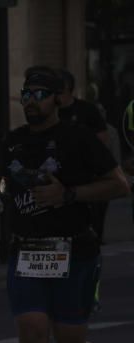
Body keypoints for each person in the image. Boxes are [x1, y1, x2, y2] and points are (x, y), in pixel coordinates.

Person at [0, 67, 128, 343]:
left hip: (73, 251)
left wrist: (70, 194)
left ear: (57, 99)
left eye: (40, 93)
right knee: (33, 333)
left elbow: (119, 184)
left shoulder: (77, 138)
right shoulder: (14, 143)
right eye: (27, 93)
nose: (31, 100)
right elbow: (6, 185)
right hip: (27, 251)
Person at [57, 69, 111, 242]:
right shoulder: (51, 113)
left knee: (92, 219)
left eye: (59, 90)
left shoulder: (87, 110)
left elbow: (103, 137)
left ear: (68, 90)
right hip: (60, 175)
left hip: (87, 176)